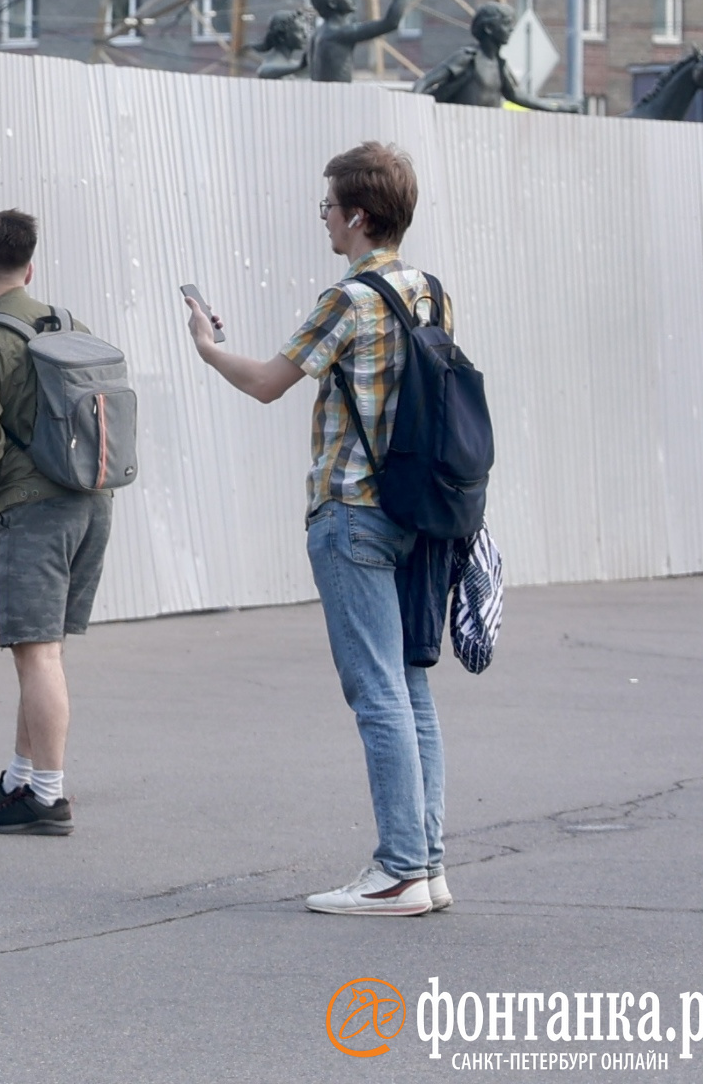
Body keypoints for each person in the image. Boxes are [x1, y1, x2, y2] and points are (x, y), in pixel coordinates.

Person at [185, 141, 451, 917]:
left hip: (353, 509)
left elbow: (268, 383)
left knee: (376, 692)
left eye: (328, 208)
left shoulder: (350, 298)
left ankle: (398, 870)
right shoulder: (428, 291)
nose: (325, 221)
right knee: (410, 687)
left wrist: (207, 347)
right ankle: (426, 862)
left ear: (359, 216)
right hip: (417, 510)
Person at [0, 207, 107, 835]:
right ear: (30, 268)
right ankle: (21, 778)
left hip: (36, 509)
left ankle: (49, 794)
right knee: (41, 651)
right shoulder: (72, 326)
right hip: (93, 503)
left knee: (37, 654)